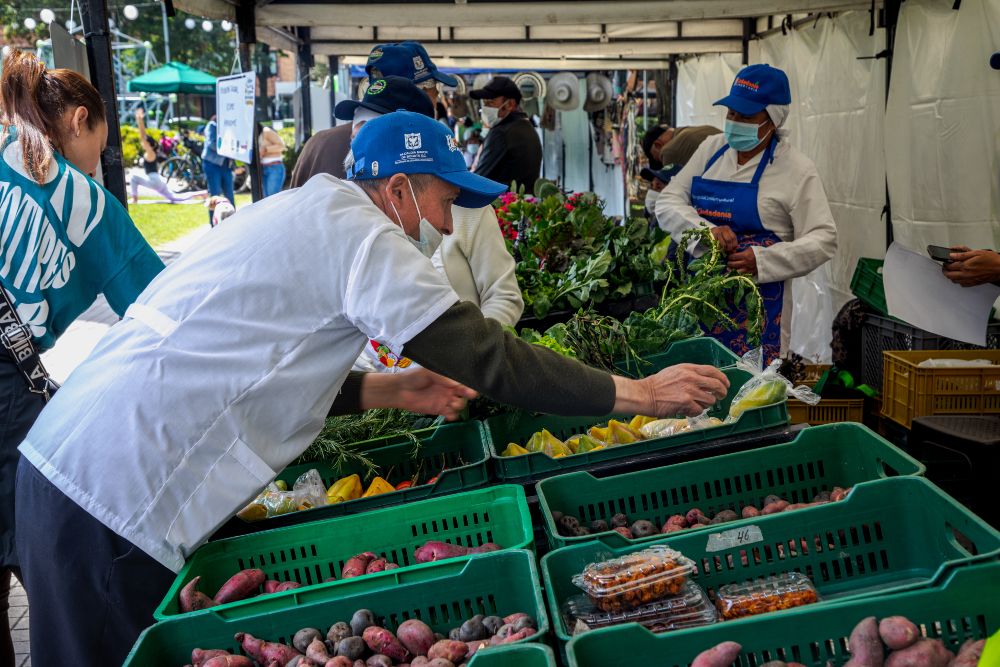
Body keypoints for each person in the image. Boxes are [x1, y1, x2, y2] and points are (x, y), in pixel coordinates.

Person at [15, 111, 728, 665]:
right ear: (398, 190)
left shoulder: (303, 213)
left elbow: (270, 366)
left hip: (77, 465)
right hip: (111, 497)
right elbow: (489, 357)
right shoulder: (361, 235)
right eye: (446, 201)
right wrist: (642, 394)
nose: (449, 225)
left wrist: (393, 390)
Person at [0, 49, 164, 667]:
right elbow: (160, 310)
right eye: (101, 141)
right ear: (77, 121)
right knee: (54, 561)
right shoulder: (79, 196)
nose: (101, 161)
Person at [313, 75, 522, 371]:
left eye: (370, 129)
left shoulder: (464, 207)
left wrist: (472, 362)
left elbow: (504, 296)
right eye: (356, 132)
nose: (356, 145)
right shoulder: (348, 228)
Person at [656, 64, 837, 363]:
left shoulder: (796, 169)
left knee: (748, 388)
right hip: (698, 298)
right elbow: (668, 201)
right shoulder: (712, 149)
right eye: (731, 114)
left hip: (760, 309)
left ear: (773, 118)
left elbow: (824, 238)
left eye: (746, 116)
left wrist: (763, 260)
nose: (735, 122)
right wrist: (705, 232)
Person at [290, 42, 457, 187]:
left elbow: (292, 210)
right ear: (420, 93)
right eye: (435, 92)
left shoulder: (318, 143)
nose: (437, 99)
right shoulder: (420, 152)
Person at [470, 76, 542, 191]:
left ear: (510, 104)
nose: (485, 108)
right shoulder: (527, 128)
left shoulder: (501, 133)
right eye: (484, 103)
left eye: (491, 102)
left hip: (503, 205)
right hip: (523, 204)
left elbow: (479, 180)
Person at [129, 107, 194, 204]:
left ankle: (134, 199)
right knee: (176, 198)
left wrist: (140, 120)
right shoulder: (152, 152)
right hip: (157, 181)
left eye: (145, 143)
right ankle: (200, 194)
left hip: (154, 181)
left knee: (133, 178)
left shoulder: (150, 152)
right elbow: (144, 138)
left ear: (149, 145)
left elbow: (143, 137)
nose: (142, 144)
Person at [642, 124, 721, 171]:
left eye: (658, 159)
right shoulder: (691, 130)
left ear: (658, 145)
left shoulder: (668, 151)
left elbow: (672, 189)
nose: (662, 161)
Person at [201, 113, 234, 225]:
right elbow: (212, 144)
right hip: (212, 164)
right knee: (215, 196)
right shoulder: (212, 125)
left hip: (225, 166)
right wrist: (229, 147)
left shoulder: (231, 127)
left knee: (229, 196)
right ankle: (214, 226)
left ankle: (233, 223)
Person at [257, 122, 287, 197]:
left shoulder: (266, 131)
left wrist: (266, 149)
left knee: (273, 198)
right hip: (263, 168)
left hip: (274, 167)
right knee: (266, 198)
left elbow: (282, 145)